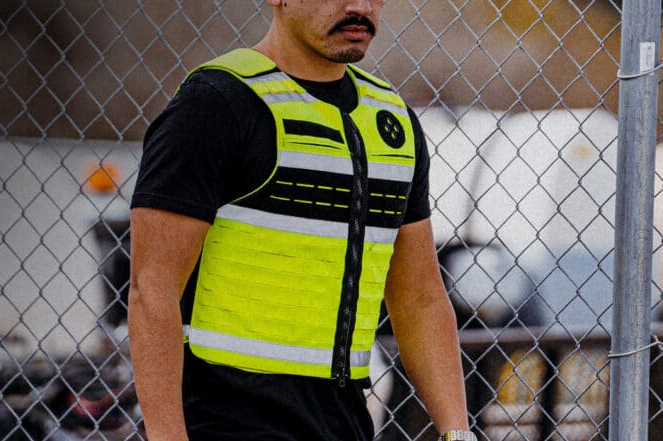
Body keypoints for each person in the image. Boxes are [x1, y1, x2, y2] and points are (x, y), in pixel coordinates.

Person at [127, 1, 474, 440]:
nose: (359, 7)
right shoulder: (215, 105)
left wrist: (457, 432)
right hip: (226, 423)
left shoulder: (394, 122)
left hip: (345, 423)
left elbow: (419, 296)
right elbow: (152, 290)